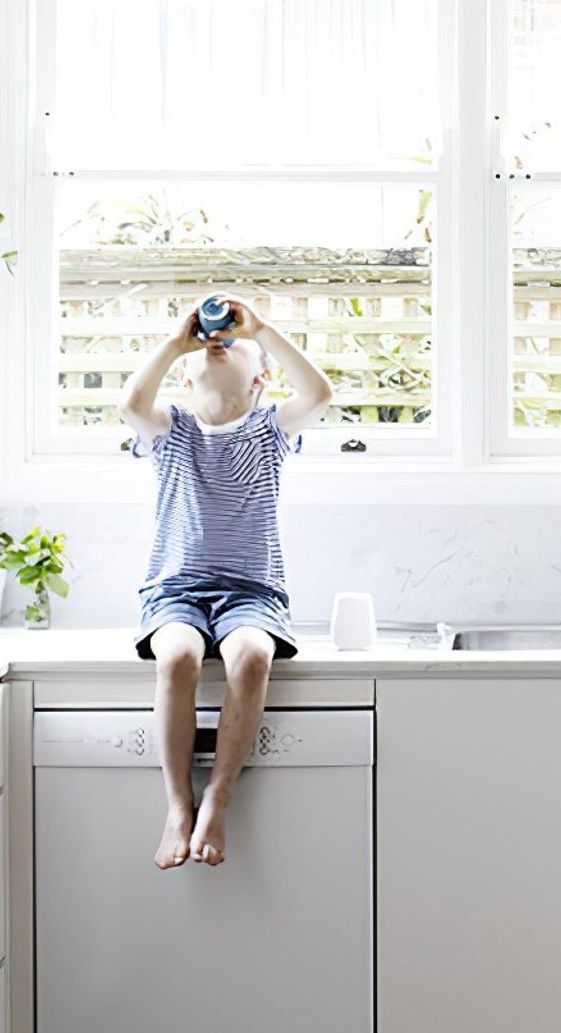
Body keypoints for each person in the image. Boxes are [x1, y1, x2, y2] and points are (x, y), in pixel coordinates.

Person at [118, 295, 334, 868]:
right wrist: (174, 343)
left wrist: (261, 329)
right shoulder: (172, 431)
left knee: (251, 659)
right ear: (185, 380)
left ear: (261, 377)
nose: (219, 344)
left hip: (251, 593)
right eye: (206, 349)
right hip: (175, 592)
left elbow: (319, 395)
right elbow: (130, 404)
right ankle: (177, 802)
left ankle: (218, 794)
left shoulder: (270, 430)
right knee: (179, 659)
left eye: (234, 347)